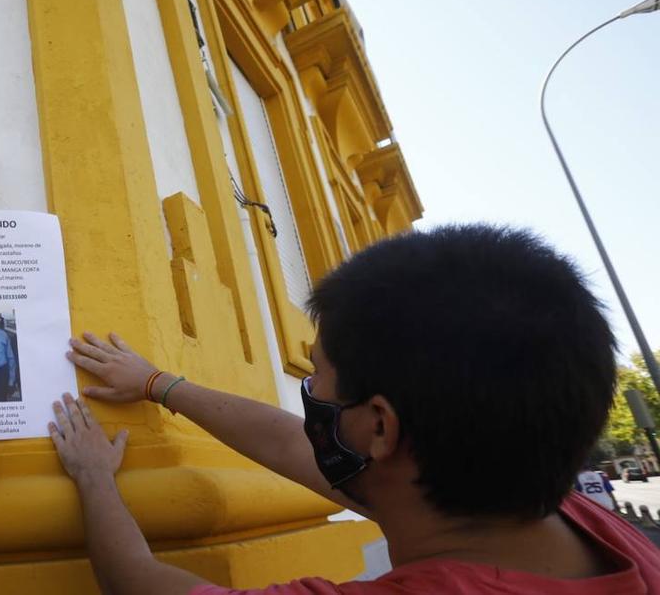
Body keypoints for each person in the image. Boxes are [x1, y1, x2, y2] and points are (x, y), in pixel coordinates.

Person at [49, 225, 660, 593]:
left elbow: (140, 582)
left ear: (379, 427)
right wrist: (157, 383)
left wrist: (93, 477)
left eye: (318, 373)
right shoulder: (578, 523)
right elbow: (291, 444)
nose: (309, 392)